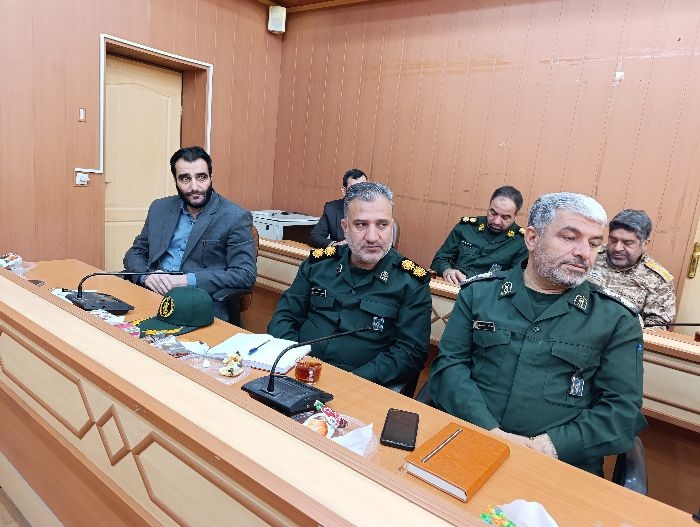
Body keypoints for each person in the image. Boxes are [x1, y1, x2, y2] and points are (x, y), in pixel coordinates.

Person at [430, 192, 647, 475]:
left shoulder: (616, 319)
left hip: (559, 465)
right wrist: (489, 431)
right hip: (470, 440)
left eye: (594, 244)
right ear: (532, 238)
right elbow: (449, 367)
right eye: (569, 237)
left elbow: (622, 410)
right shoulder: (479, 294)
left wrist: (547, 447)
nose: (584, 253)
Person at [269, 181, 432, 388]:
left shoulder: (411, 282)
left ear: (391, 226)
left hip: (359, 386)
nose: (372, 237)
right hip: (297, 372)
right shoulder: (318, 264)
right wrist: (295, 361)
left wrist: (349, 382)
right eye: (361, 225)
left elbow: (409, 352)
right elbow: (284, 317)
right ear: (345, 228)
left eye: (382, 225)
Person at [123, 146, 256, 323]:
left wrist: (187, 280)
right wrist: (146, 276)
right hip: (150, 295)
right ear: (175, 180)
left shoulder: (235, 217)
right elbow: (135, 253)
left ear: (210, 177)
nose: (194, 187)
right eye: (185, 179)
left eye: (201, 177)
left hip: (198, 304)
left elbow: (244, 275)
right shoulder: (159, 208)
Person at [588, 209, 676, 328]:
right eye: (613, 240)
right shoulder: (589, 256)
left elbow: (656, 327)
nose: (617, 248)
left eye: (628, 243)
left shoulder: (658, 280)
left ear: (644, 244)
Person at [431, 186, 528, 285]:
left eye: (505, 217)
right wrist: (447, 270)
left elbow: (516, 280)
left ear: (515, 215)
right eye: (493, 213)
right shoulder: (466, 227)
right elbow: (439, 260)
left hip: (488, 292)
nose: (497, 221)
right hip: (453, 287)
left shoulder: (520, 242)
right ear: (489, 207)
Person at [308, 168, 367, 248]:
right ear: (344, 191)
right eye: (354, 189)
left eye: (363, 188)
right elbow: (314, 237)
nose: (359, 193)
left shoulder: (375, 209)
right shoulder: (332, 208)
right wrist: (336, 245)